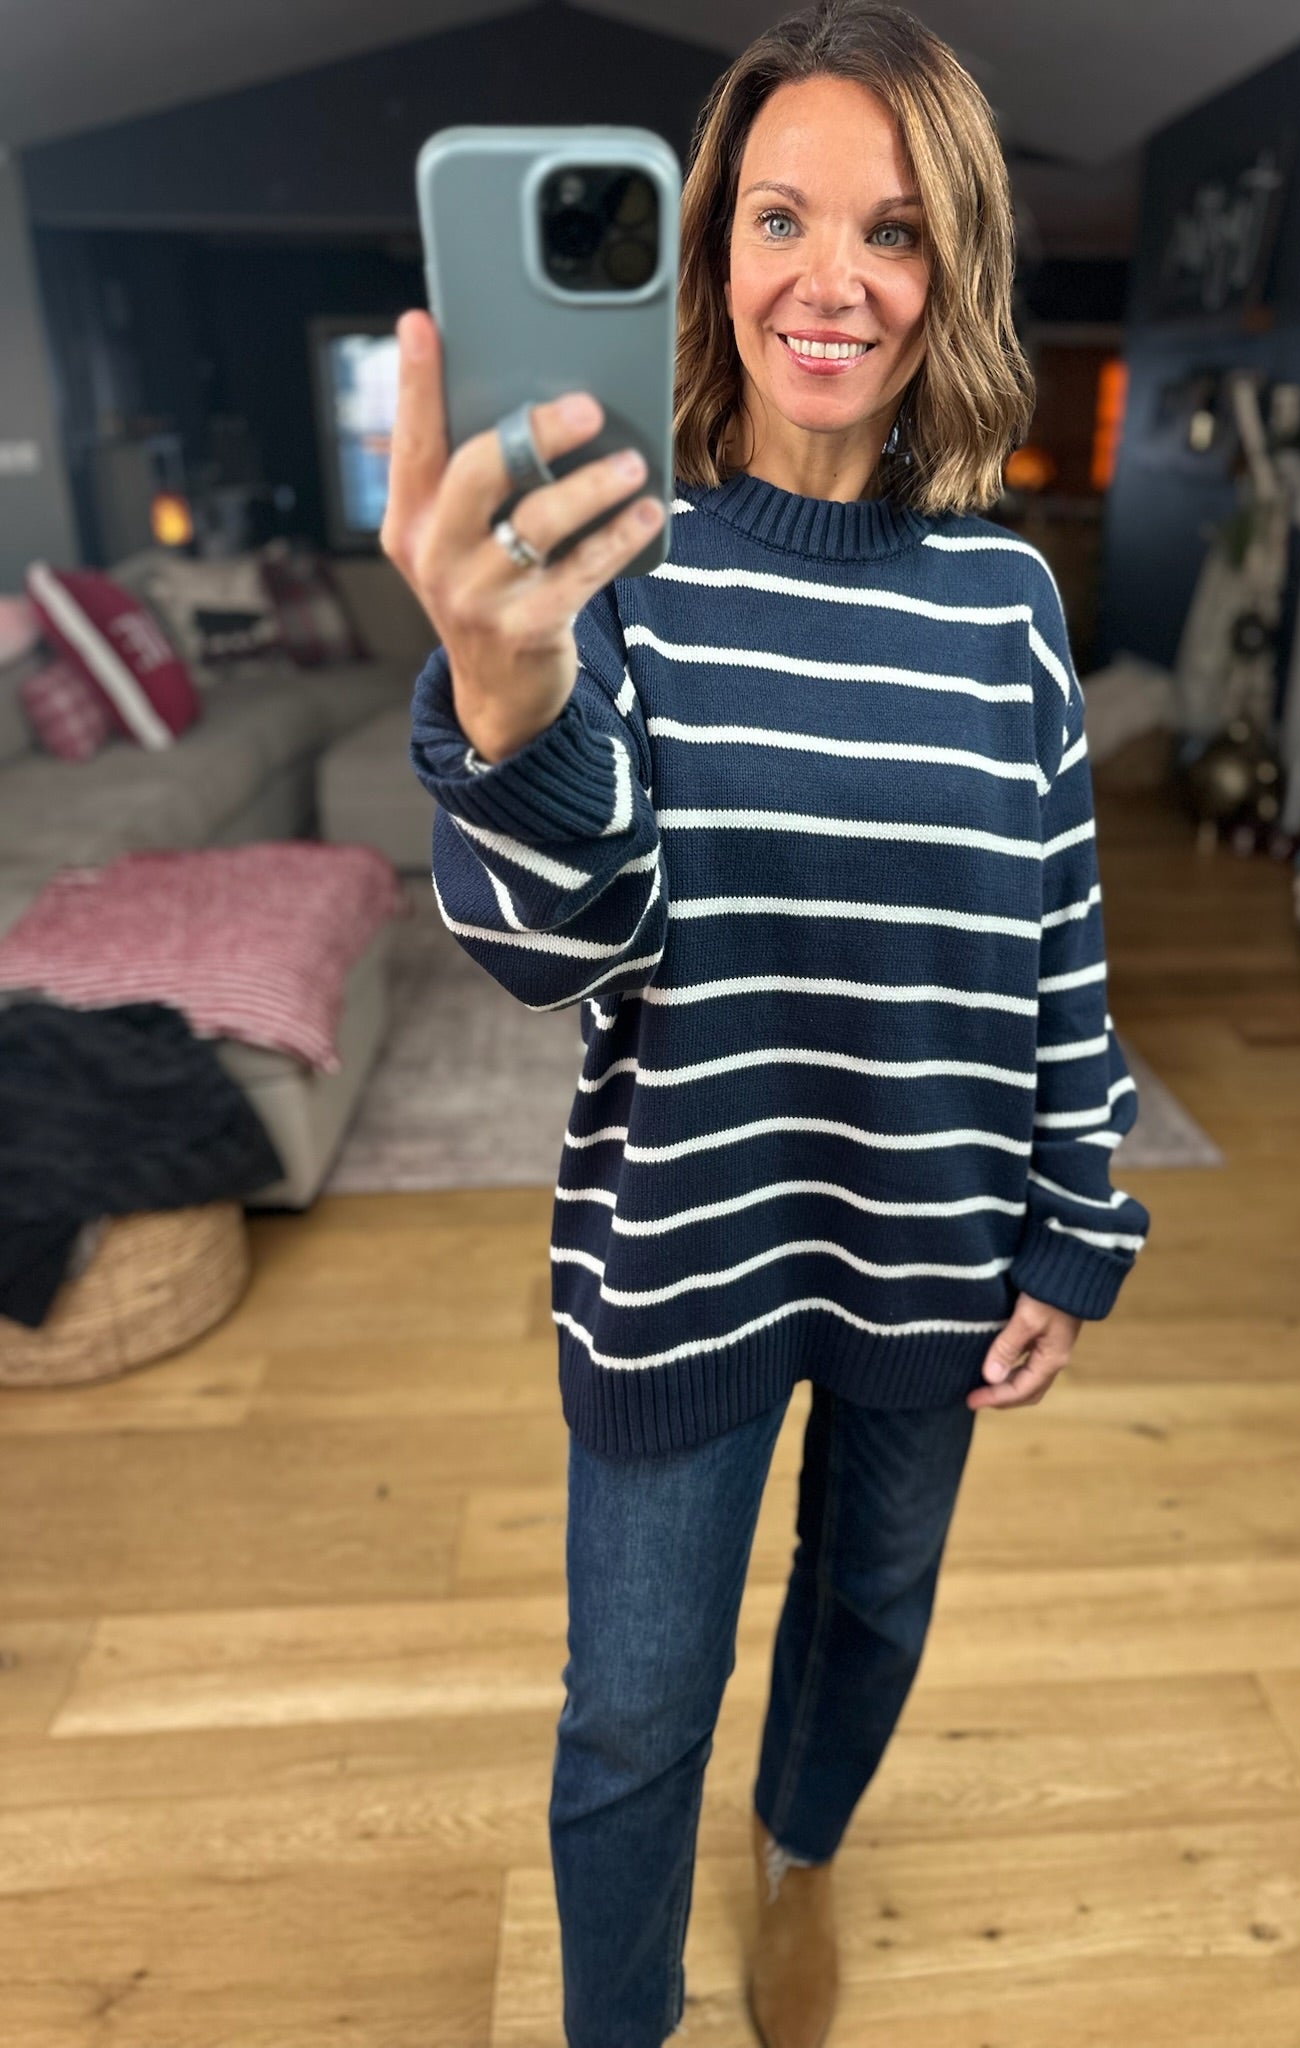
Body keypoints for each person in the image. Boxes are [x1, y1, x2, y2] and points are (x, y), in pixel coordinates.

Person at [384, 4, 1152, 2042]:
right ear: (711, 250)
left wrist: (1078, 1219)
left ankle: (800, 1848)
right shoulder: (617, 576)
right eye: (783, 218)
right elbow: (563, 945)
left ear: (950, 272)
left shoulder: (1011, 608)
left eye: (894, 231)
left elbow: (1062, 938)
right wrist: (507, 695)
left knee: (872, 1610)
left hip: (938, 1246)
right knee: (634, 1710)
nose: (836, 279)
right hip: (685, 1259)